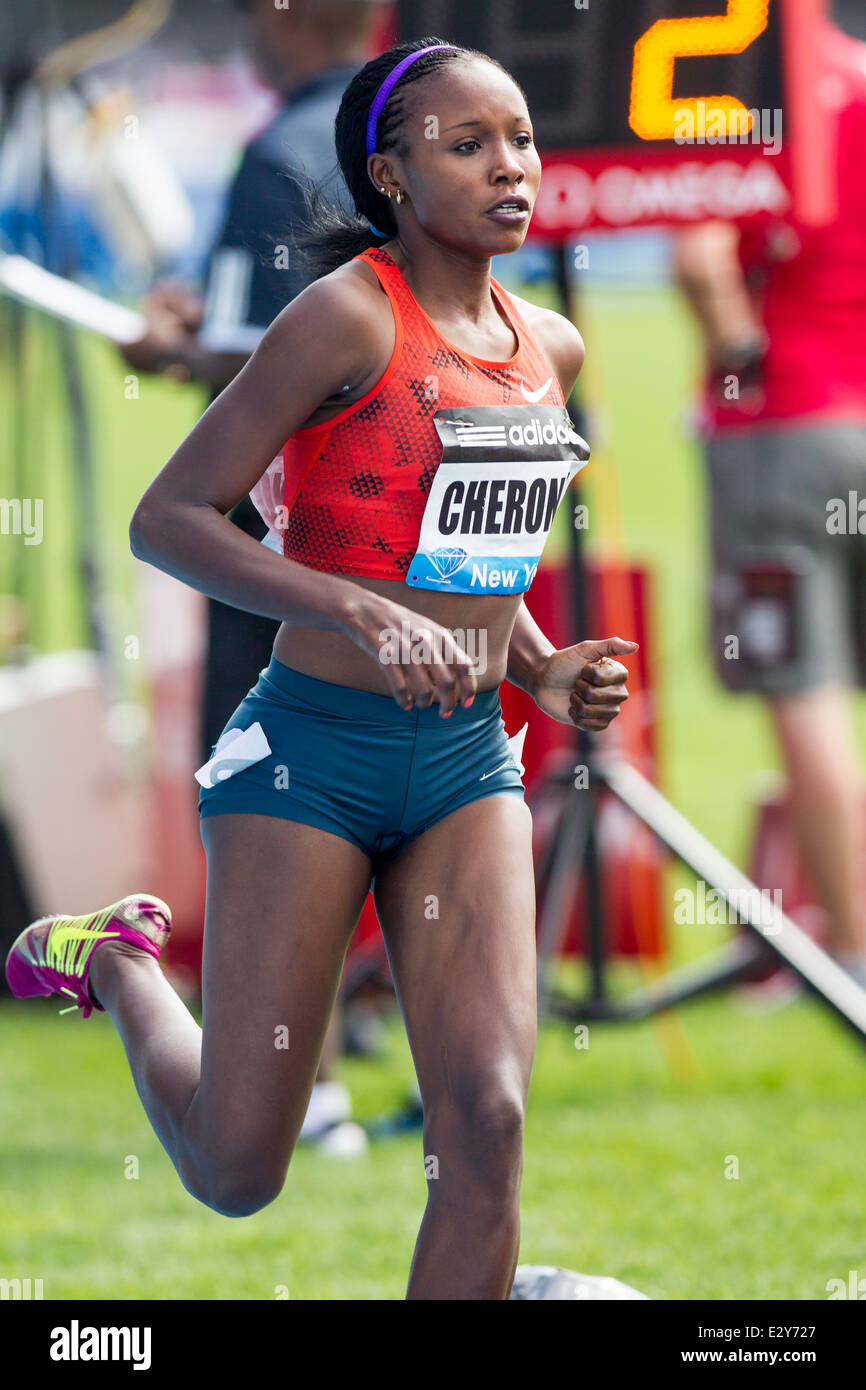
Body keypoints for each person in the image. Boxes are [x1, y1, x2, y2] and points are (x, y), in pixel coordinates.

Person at [7, 38, 638, 1299]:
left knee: (489, 1124)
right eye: (467, 147)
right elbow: (171, 516)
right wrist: (354, 613)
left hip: (464, 767)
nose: (509, 167)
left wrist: (542, 672)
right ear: (391, 176)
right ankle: (116, 961)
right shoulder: (345, 314)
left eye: (516, 138)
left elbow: (467, 564)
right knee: (239, 1164)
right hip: (309, 758)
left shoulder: (551, 346)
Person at [120, 0, 387, 1147]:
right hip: (418, 548)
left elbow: (279, 364)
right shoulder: (418, 128)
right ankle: (356, 1080)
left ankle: (305, 1093)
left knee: (274, 800)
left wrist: (182, 347)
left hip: (293, 548)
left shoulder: (283, 151)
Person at [673, 9, 866, 988]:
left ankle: (852, 953)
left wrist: (731, 348)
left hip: (783, 428)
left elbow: (699, 256)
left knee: (806, 691)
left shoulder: (750, 101)